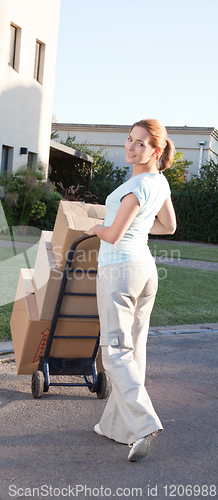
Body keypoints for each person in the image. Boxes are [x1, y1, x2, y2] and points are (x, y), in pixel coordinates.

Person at [85, 118, 177, 462]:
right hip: (145, 270)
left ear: (156, 150)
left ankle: (143, 424)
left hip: (119, 271)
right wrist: (136, 223)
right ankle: (116, 427)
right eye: (129, 139)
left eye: (140, 143)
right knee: (133, 351)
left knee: (114, 353)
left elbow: (113, 235)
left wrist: (96, 226)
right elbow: (168, 226)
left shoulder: (137, 186)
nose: (131, 146)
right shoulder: (159, 183)